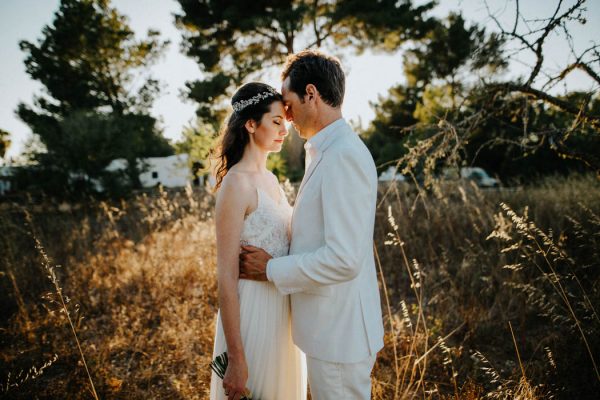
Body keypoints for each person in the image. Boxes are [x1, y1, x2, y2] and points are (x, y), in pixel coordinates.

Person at [240, 50, 384, 399]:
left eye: (288, 104)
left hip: (339, 334)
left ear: (311, 94)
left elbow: (344, 259)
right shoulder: (326, 151)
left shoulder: (343, 156)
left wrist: (272, 269)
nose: (285, 117)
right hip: (329, 327)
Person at [209, 82, 307, 400]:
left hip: (283, 313)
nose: (284, 130)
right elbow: (225, 275)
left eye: (285, 122)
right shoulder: (235, 185)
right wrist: (237, 358)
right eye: (276, 121)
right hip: (251, 315)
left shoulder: (272, 181)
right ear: (251, 124)